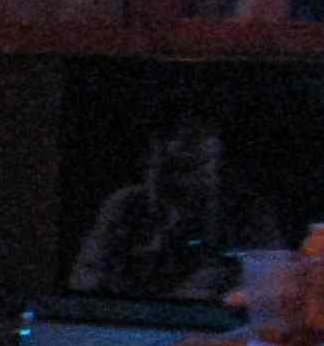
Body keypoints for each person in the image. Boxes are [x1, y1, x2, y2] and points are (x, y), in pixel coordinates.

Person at [68, 110, 282, 299]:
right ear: (149, 161)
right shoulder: (125, 206)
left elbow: (273, 288)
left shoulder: (248, 213)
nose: (182, 182)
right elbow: (85, 279)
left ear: (217, 161)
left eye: (194, 166)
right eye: (172, 168)